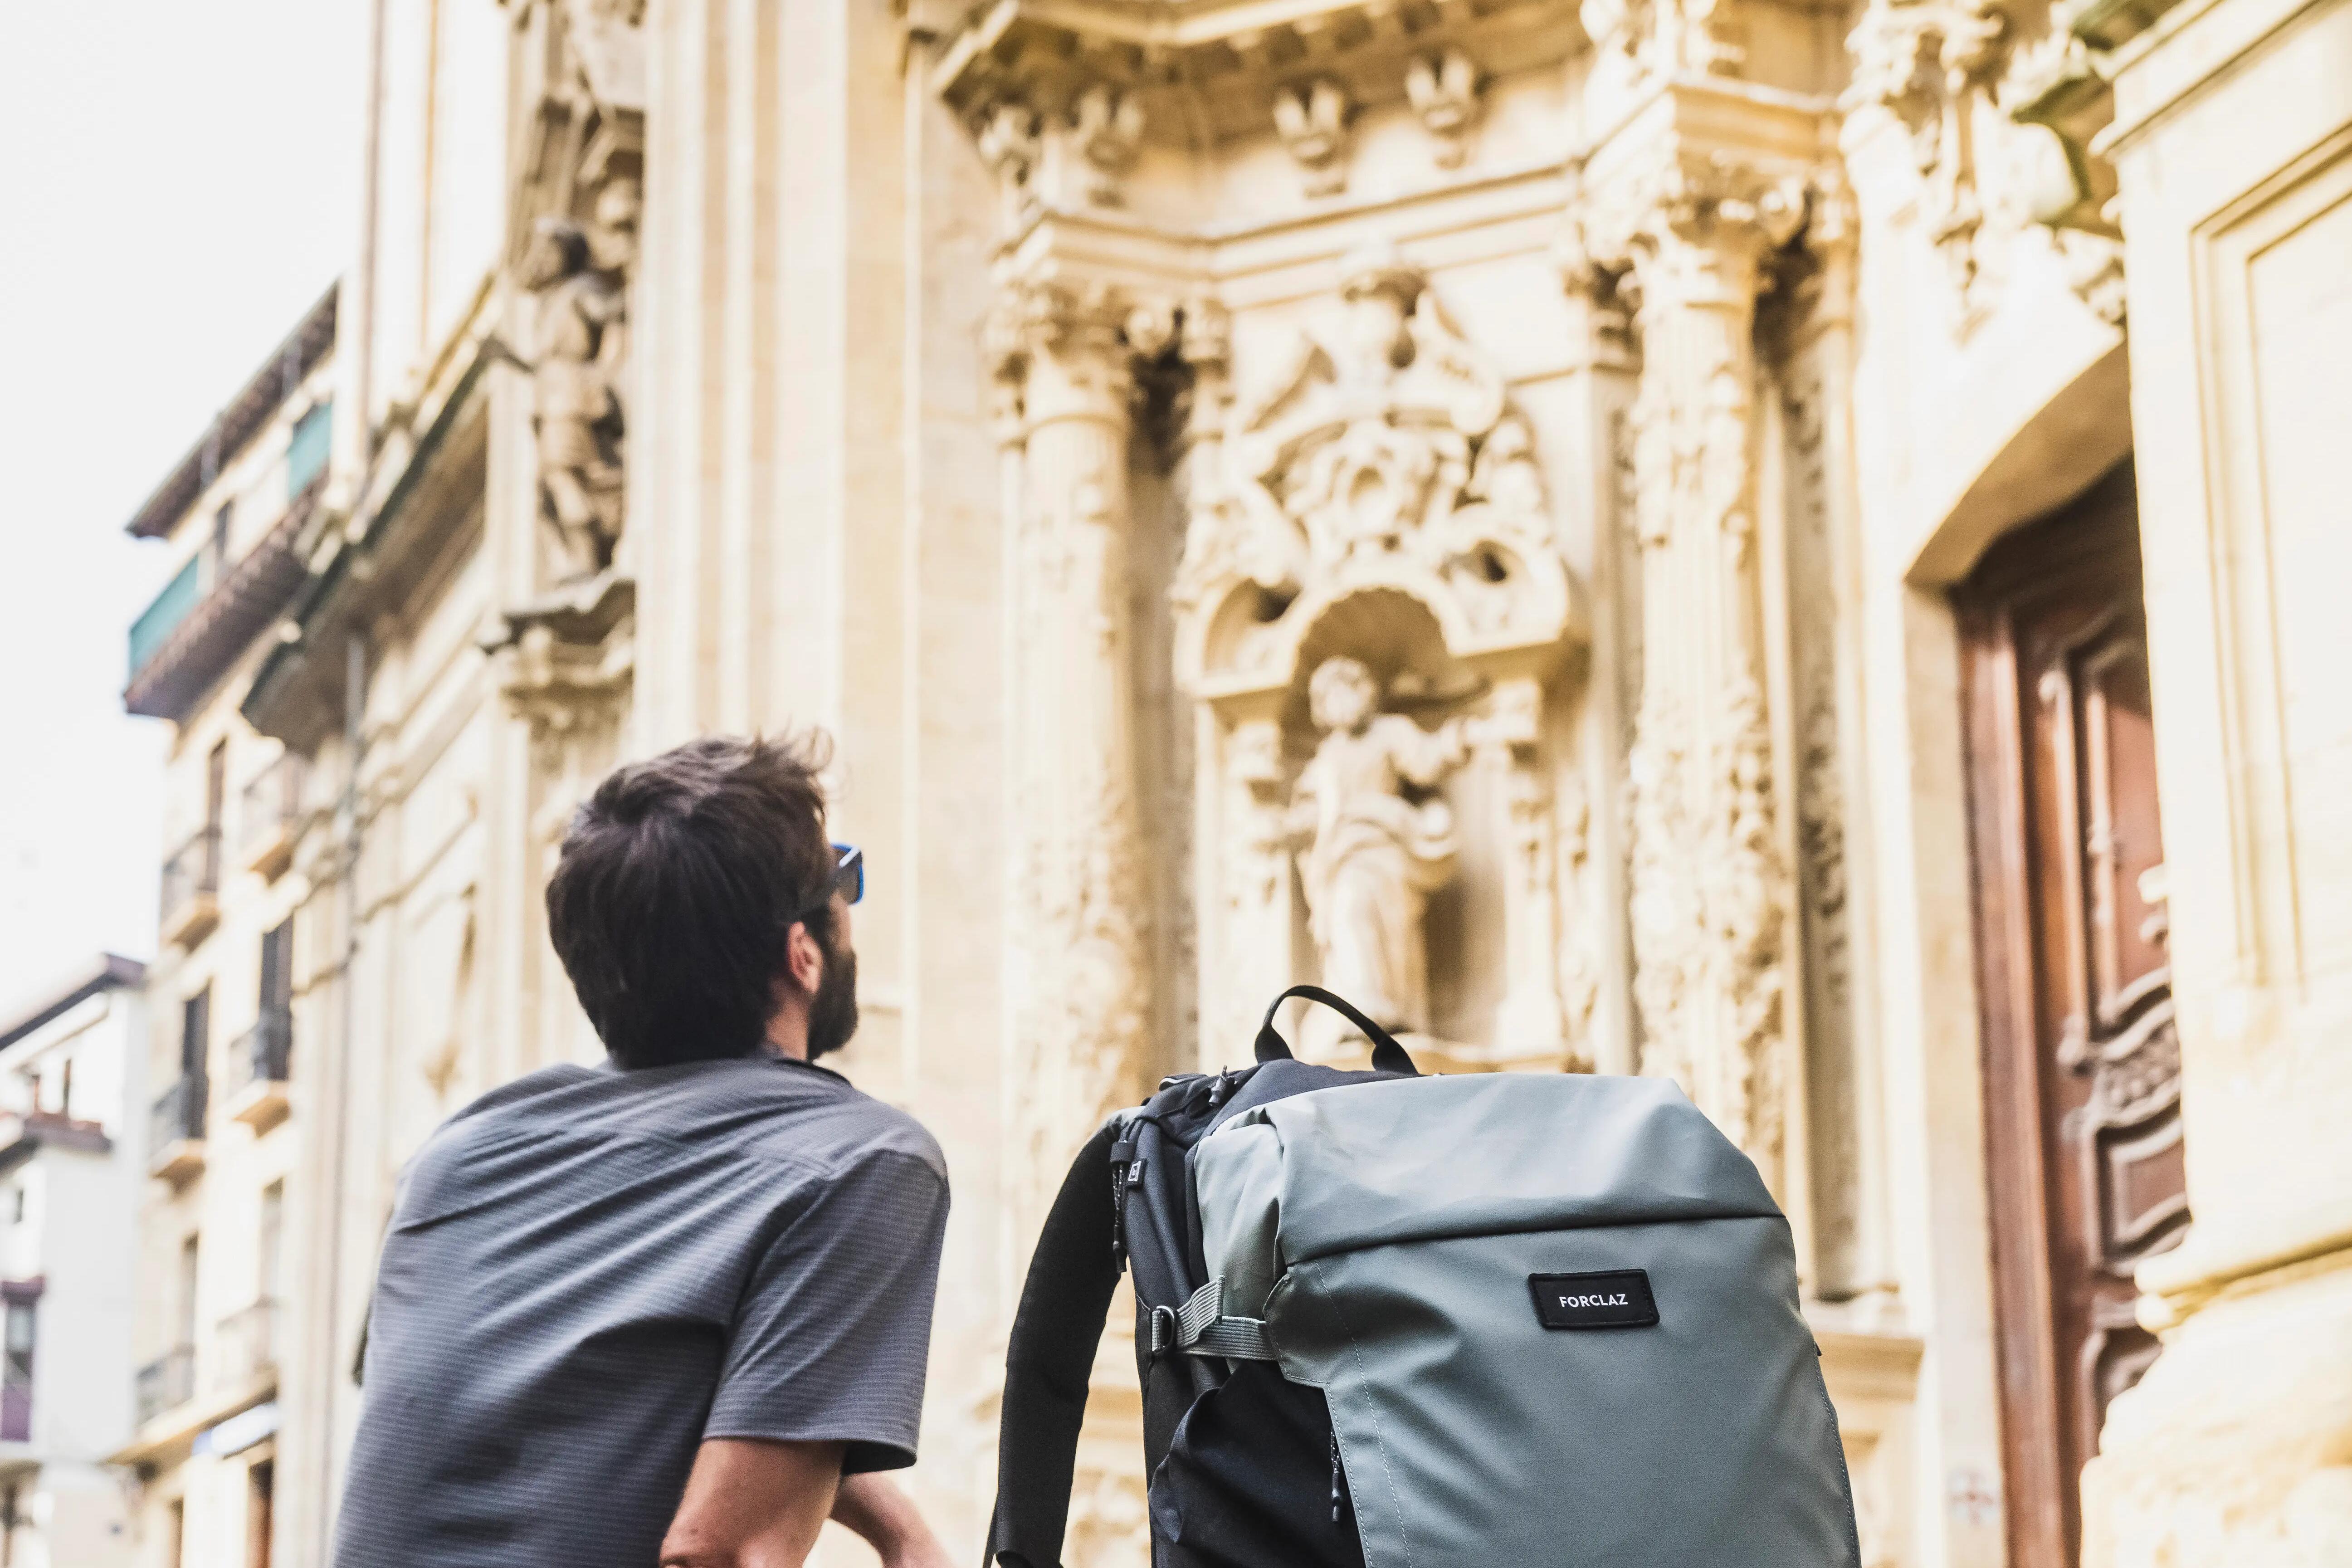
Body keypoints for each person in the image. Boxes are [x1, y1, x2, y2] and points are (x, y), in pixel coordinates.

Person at [332, 735, 955, 1568]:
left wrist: (897, 1526)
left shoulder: (460, 1152)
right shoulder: (861, 1159)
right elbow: (724, 1554)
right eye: (842, 878)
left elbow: (572, 1394)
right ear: (800, 953)